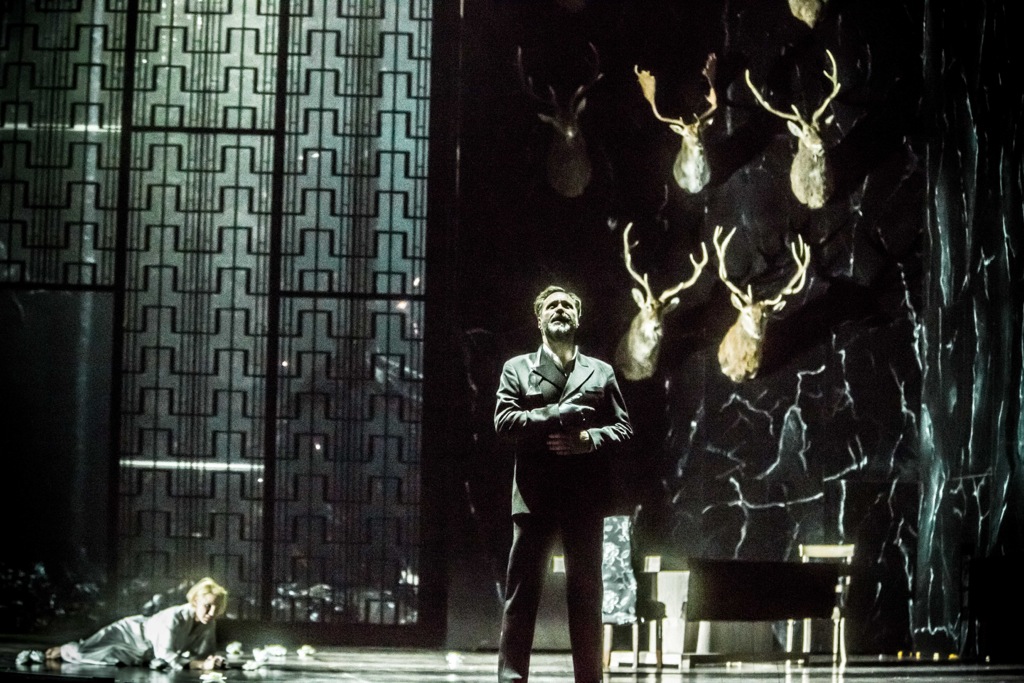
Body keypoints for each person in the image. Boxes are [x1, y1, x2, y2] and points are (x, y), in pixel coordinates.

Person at [494, 285, 633, 683]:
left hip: (584, 501)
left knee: (587, 599)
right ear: (539, 319)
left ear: (578, 318)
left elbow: (624, 428)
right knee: (521, 598)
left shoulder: (601, 371)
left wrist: (590, 439)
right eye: (552, 306)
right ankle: (511, 679)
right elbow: (504, 421)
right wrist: (556, 414)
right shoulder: (517, 368)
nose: (559, 310)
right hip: (534, 498)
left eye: (567, 306)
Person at [17, 577, 229, 671]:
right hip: (129, 632)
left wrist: (212, 660)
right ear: (195, 601)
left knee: (110, 661)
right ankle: (62, 650)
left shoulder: (207, 621)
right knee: (83, 652)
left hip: (142, 650)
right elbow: (166, 654)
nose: (211, 612)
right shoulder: (173, 618)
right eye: (207, 606)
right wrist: (200, 665)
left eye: (216, 608)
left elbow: (206, 651)